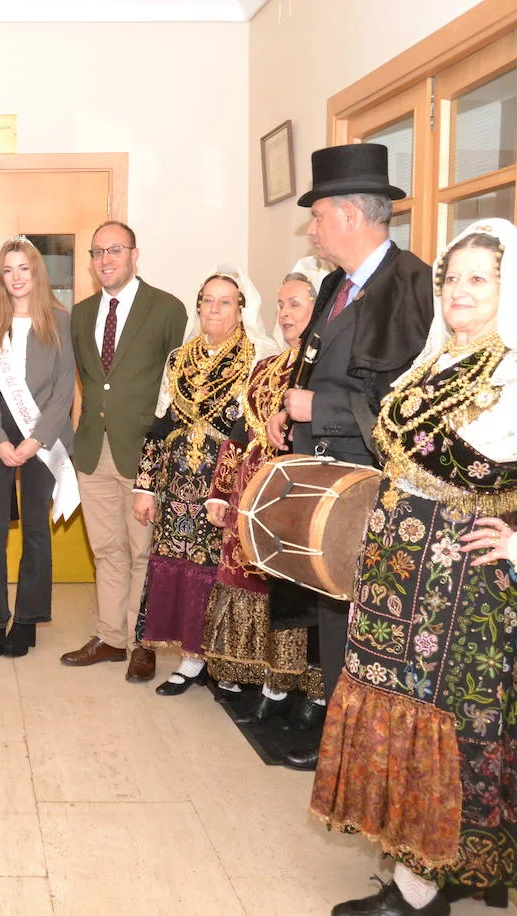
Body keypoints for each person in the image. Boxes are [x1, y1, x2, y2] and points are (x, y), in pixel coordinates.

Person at [312, 219, 517, 915]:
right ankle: (414, 866)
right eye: (451, 277)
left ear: (508, 288)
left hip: (467, 586)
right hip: (397, 574)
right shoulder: (433, 361)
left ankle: (422, 889)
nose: (459, 291)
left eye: (478, 279)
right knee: (396, 715)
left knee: (449, 727)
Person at [264, 143, 434, 770]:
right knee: (332, 614)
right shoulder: (336, 283)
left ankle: (368, 757)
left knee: (368, 624)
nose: (311, 229)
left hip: (376, 487)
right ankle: (340, 746)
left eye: (317, 215)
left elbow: (411, 403)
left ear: (352, 217)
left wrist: (321, 412)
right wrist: (289, 410)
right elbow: (314, 366)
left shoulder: (413, 287)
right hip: (326, 482)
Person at [132, 266, 279, 694]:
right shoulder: (179, 357)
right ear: (198, 306)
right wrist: (144, 486)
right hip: (177, 483)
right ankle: (191, 661)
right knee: (183, 568)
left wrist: (230, 490)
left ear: (241, 309)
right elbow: (160, 423)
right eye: (207, 300)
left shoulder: (258, 356)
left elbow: (252, 430)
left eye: (225, 302)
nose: (214, 308)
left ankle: (224, 663)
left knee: (222, 572)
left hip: (226, 481)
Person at [201, 262, 327, 724]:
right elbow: (238, 433)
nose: (286, 313)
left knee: (296, 591)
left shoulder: (328, 369)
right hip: (251, 493)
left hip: (299, 495)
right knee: (249, 580)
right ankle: (261, 679)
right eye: (280, 304)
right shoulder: (266, 365)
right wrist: (220, 492)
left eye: (296, 303)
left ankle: (303, 691)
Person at [61, 221, 187, 678]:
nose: (105, 259)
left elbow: (177, 389)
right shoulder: (81, 313)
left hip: (144, 452)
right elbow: (90, 382)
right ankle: (110, 637)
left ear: (135, 255)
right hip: (94, 449)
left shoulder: (167, 309)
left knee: (143, 552)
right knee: (107, 549)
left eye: (115, 250)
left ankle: (143, 643)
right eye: (97, 252)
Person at [0, 238, 75, 657]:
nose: (15, 277)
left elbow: (64, 390)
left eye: (23, 269)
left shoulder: (61, 323)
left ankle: (28, 618)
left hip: (41, 437)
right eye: (8, 270)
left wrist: (33, 442)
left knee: (35, 529)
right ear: (0, 276)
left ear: (36, 273)